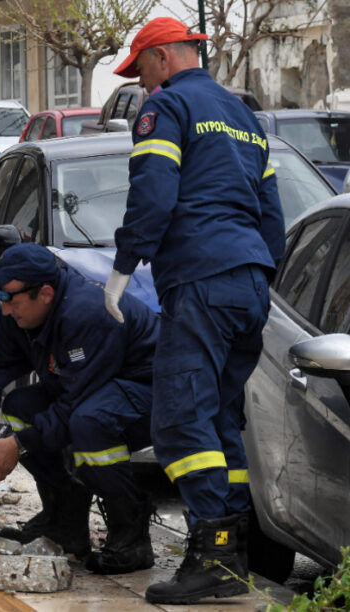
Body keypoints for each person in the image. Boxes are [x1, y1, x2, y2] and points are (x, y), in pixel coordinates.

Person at [104, 17, 285, 604]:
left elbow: (154, 193)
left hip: (201, 280)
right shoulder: (244, 117)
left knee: (180, 421)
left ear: (161, 58)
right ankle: (228, 558)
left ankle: (214, 551)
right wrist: (257, 274)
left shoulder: (167, 110)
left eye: (142, 70)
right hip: (248, 284)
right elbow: (271, 215)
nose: (144, 84)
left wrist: (125, 265)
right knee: (219, 421)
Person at [0, 242, 160, 575]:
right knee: (19, 406)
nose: (6, 308)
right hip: (94, 392)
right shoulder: (19, 313)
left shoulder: (87, 313)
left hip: (150, 395)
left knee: (88, 423)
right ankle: (65, 521)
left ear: (44, 293)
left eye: (9, 297)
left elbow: (76, 404)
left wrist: (16, 445)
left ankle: (130, 533)